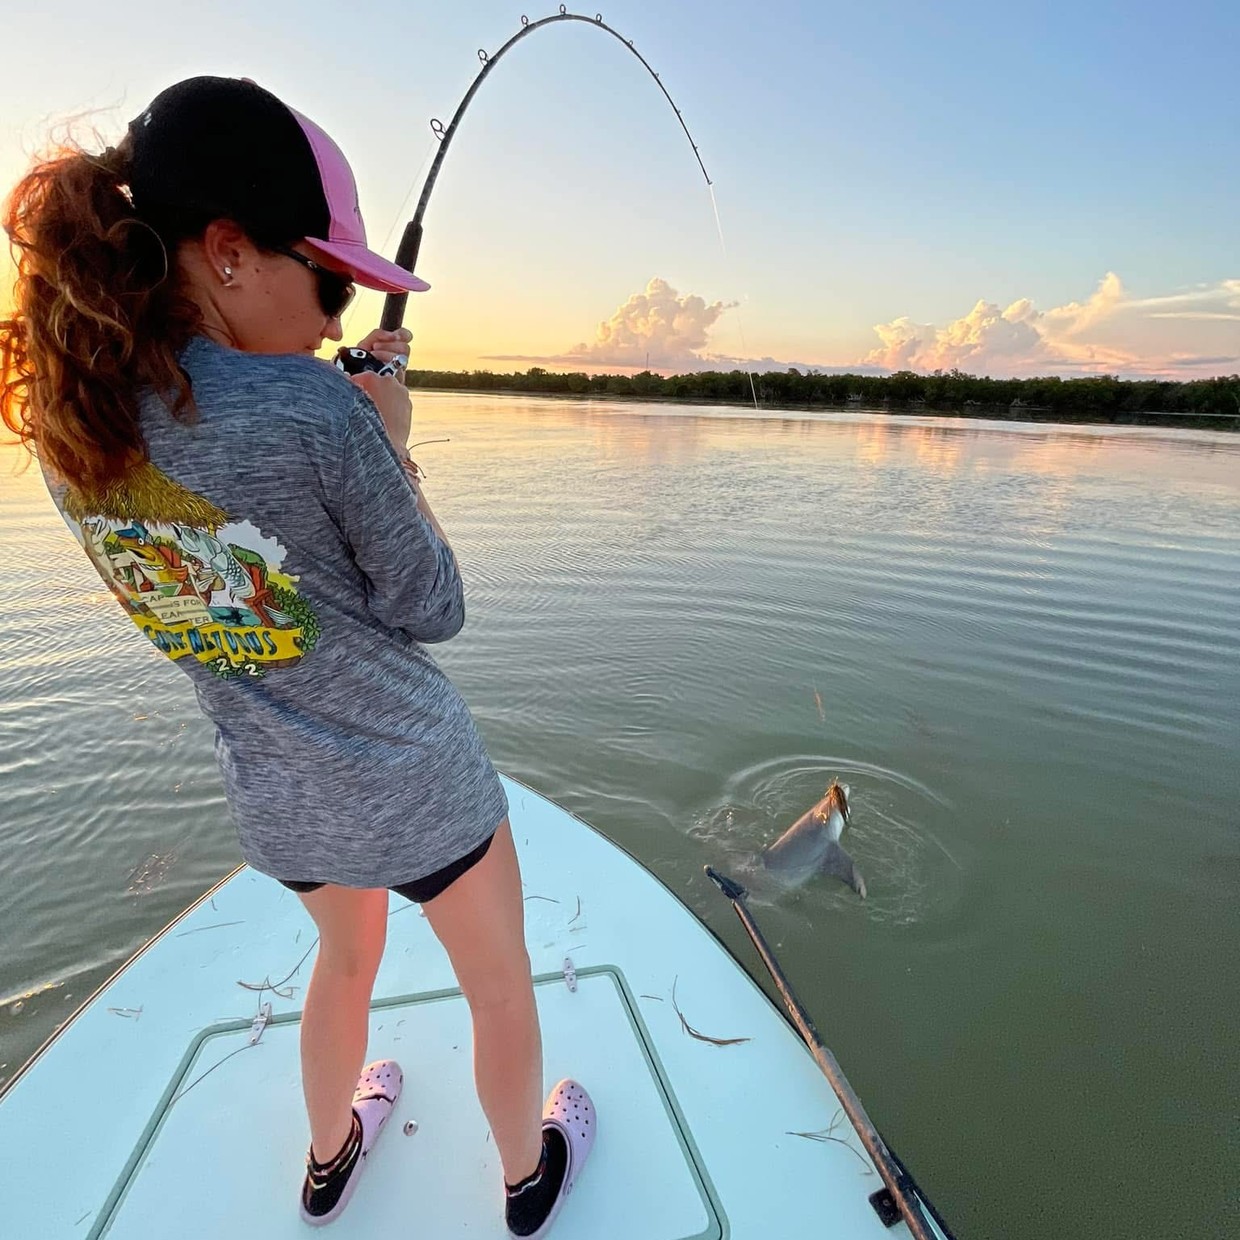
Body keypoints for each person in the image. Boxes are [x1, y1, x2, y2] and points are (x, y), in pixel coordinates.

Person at [0, 75, 594, 1236]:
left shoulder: (77, 430)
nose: (335, 320)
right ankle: (528, 1176)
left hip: (278, 802)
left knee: (344, 969)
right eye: (329, 282)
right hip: (422, 786)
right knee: (498, 983)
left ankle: (328, 1160)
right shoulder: (319, 412)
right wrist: (388, 440)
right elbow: (433, 604)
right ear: (228, 250)